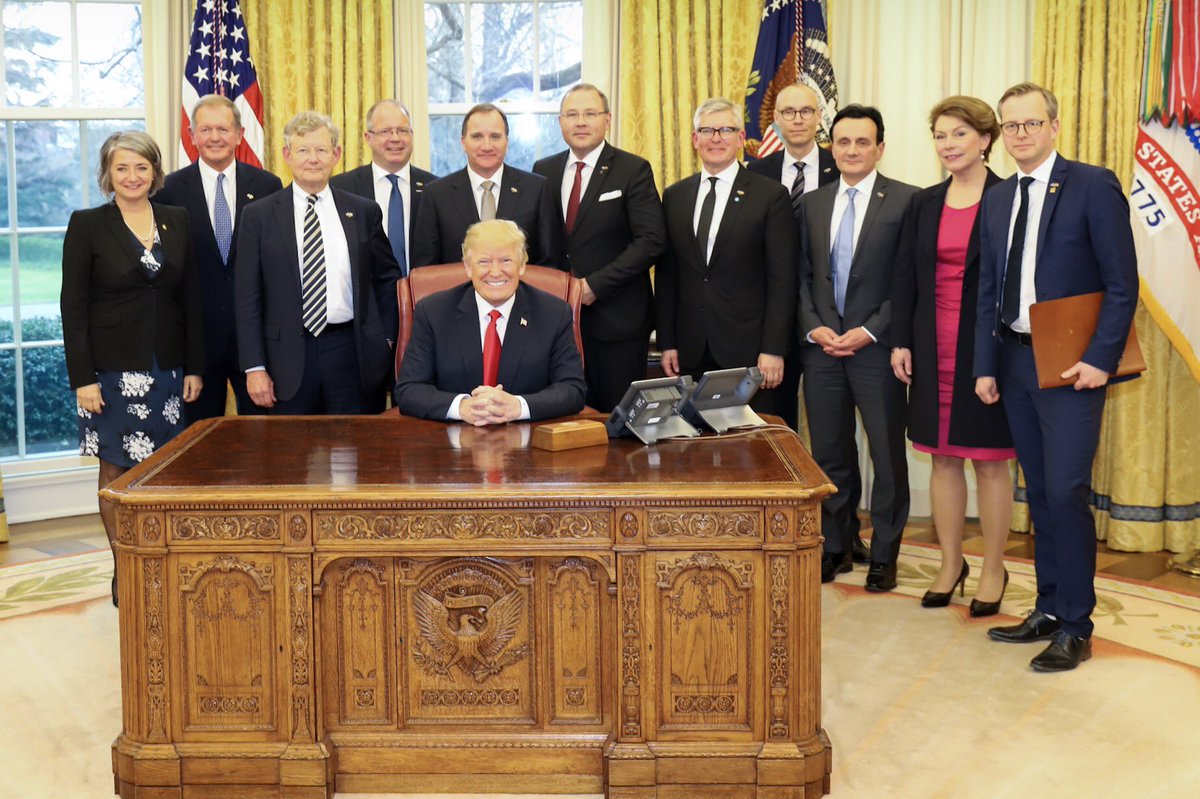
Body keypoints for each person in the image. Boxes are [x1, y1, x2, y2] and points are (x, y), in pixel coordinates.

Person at [974, 83, 1138, 672]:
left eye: (1031, 123)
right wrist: (985, 366)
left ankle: (1076, 625)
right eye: (1011, 125)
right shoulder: (998, 197)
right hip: (1014, 362)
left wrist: (1100, 358)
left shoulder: (1093, 185)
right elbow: (988, 288)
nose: (1020, 134)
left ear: (1054, 126)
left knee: (1066, 490)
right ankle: (1048, 607)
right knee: (1039, 491)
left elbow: (1122, 283)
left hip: (1072, 364)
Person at [61, 131, 204, 606]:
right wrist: (82, 378)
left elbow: (191, 299)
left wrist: (194, 367)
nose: (132, 176)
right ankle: (124, 567)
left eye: (141, 167)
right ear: (108, 173)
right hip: (110, 375)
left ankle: (158, 565)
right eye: (121, 167)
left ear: (155, 173)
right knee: (117, 470)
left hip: (167, 371)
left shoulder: (176, 220)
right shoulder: (87, 224)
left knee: (165, 472)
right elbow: (72, 309)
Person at [891, 96, 1015, 614]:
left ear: (985, 139)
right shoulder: (924, 202)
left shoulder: (1011, 197)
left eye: (959, 134)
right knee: (942, 457)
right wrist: (901, 340)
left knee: (989, 462)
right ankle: (950, 563)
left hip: (986, 350)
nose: (948, 144)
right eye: (940, 135)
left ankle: (994, 568)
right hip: (930, 347)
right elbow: (905, 277)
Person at [797, 104, 918, 592]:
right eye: (843, 142)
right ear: (832, 148)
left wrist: (870, 330)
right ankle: (837, 544)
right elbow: (801, 276)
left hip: (878, 350)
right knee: (829, 453)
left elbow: (909, 281)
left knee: (887, 455)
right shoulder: (811, 204)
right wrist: (814, 327)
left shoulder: (907, 201)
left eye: (862, 142)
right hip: (822, 350)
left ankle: (885, 554)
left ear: (880, 148)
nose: (852, 150)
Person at [234, 111, 401, 415]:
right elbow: (247, 297)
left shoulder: (363, 212)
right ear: (287, 155)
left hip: (352, 354)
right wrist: (254, 367)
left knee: (355, 443)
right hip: (284, 358)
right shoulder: (258, 216)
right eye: (303, 150)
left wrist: (386, 339)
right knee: (292, 446)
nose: (313, 159)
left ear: (336, 155)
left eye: (322, 150)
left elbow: (387, 280)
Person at [656, 97, 797, 418]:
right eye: (707, 130)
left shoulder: (770, 195)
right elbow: (667, 275)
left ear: (740, 137)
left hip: (749, 351)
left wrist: (773, 349)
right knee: (695, 440)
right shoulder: (675, 196)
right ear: (695, 139)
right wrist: (667, 342)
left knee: (750, 443)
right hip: (691, 349)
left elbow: (783, 281)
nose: (716, 138)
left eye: (726, 130)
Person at [532, 83, 665, 412]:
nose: (580, 122)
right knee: (565, 419)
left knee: (618, 421)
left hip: (617, 322)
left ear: (607, 120)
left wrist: (594, 286)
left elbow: (650, 241)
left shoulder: (633, 169)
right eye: (572, 114)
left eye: (590, 114)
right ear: (560, 122)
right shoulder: (543, 171)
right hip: (557, 321)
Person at [155, 94, 282, 424]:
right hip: (197, 344)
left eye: (223, 129)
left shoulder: (268, 186)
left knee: (264, 436)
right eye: (206, 129)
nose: (215, 137)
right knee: (198, 440)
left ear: (240, 134)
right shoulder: (167, 191)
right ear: (191, 134)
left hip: (256, 343)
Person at [394, 219, 586, 423]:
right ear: (468, 267)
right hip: (451, 435)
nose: (495, 272)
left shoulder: (554, 313)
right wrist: (462, 407)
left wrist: (518, 407)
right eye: (484, 262)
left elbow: (572, 389)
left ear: (522, 265)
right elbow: (409, 390)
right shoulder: (433, 312)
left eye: (506, 261)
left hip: (529, 436)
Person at [748, 82, 841, 431]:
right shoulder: (755, 172)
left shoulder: (841, 165)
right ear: (775, 118)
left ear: (819, 116)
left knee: (829, 423)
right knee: (776, 419)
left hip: (828, 313)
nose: (798, 119)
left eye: (806, 111)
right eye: (789, 112)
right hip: (775, 315)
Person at [411, 103, 561, 268]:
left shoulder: (536, 189)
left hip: (523, 285)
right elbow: (426, 269)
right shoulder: (436, 194)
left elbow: (549, 263)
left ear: (507, 141)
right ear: (463, 142)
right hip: (456, 286)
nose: (487, 146)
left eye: (495, 137)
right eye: (477, 137)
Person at [329, 99, 438, 276]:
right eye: (385, 131)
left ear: (412, 135)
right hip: (367, 292)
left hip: (423, 291)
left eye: (402, 131)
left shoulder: (435, 188)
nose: (395, 138)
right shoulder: (341, 188)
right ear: (368, 138)